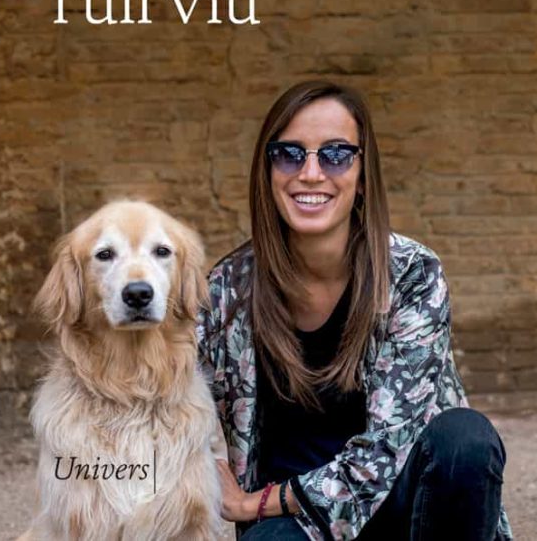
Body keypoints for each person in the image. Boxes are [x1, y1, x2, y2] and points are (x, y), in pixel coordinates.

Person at [197, 80, 512, 540]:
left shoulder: (411, 274)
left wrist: (251, 502)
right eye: (289, 154)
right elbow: (172, 394)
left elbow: (384, 451)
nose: (310, 173)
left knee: (466, 440)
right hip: (297, 524)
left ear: (363, 176)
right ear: (268, 172)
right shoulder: (228, 288)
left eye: (336, 154)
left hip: (405, 509)